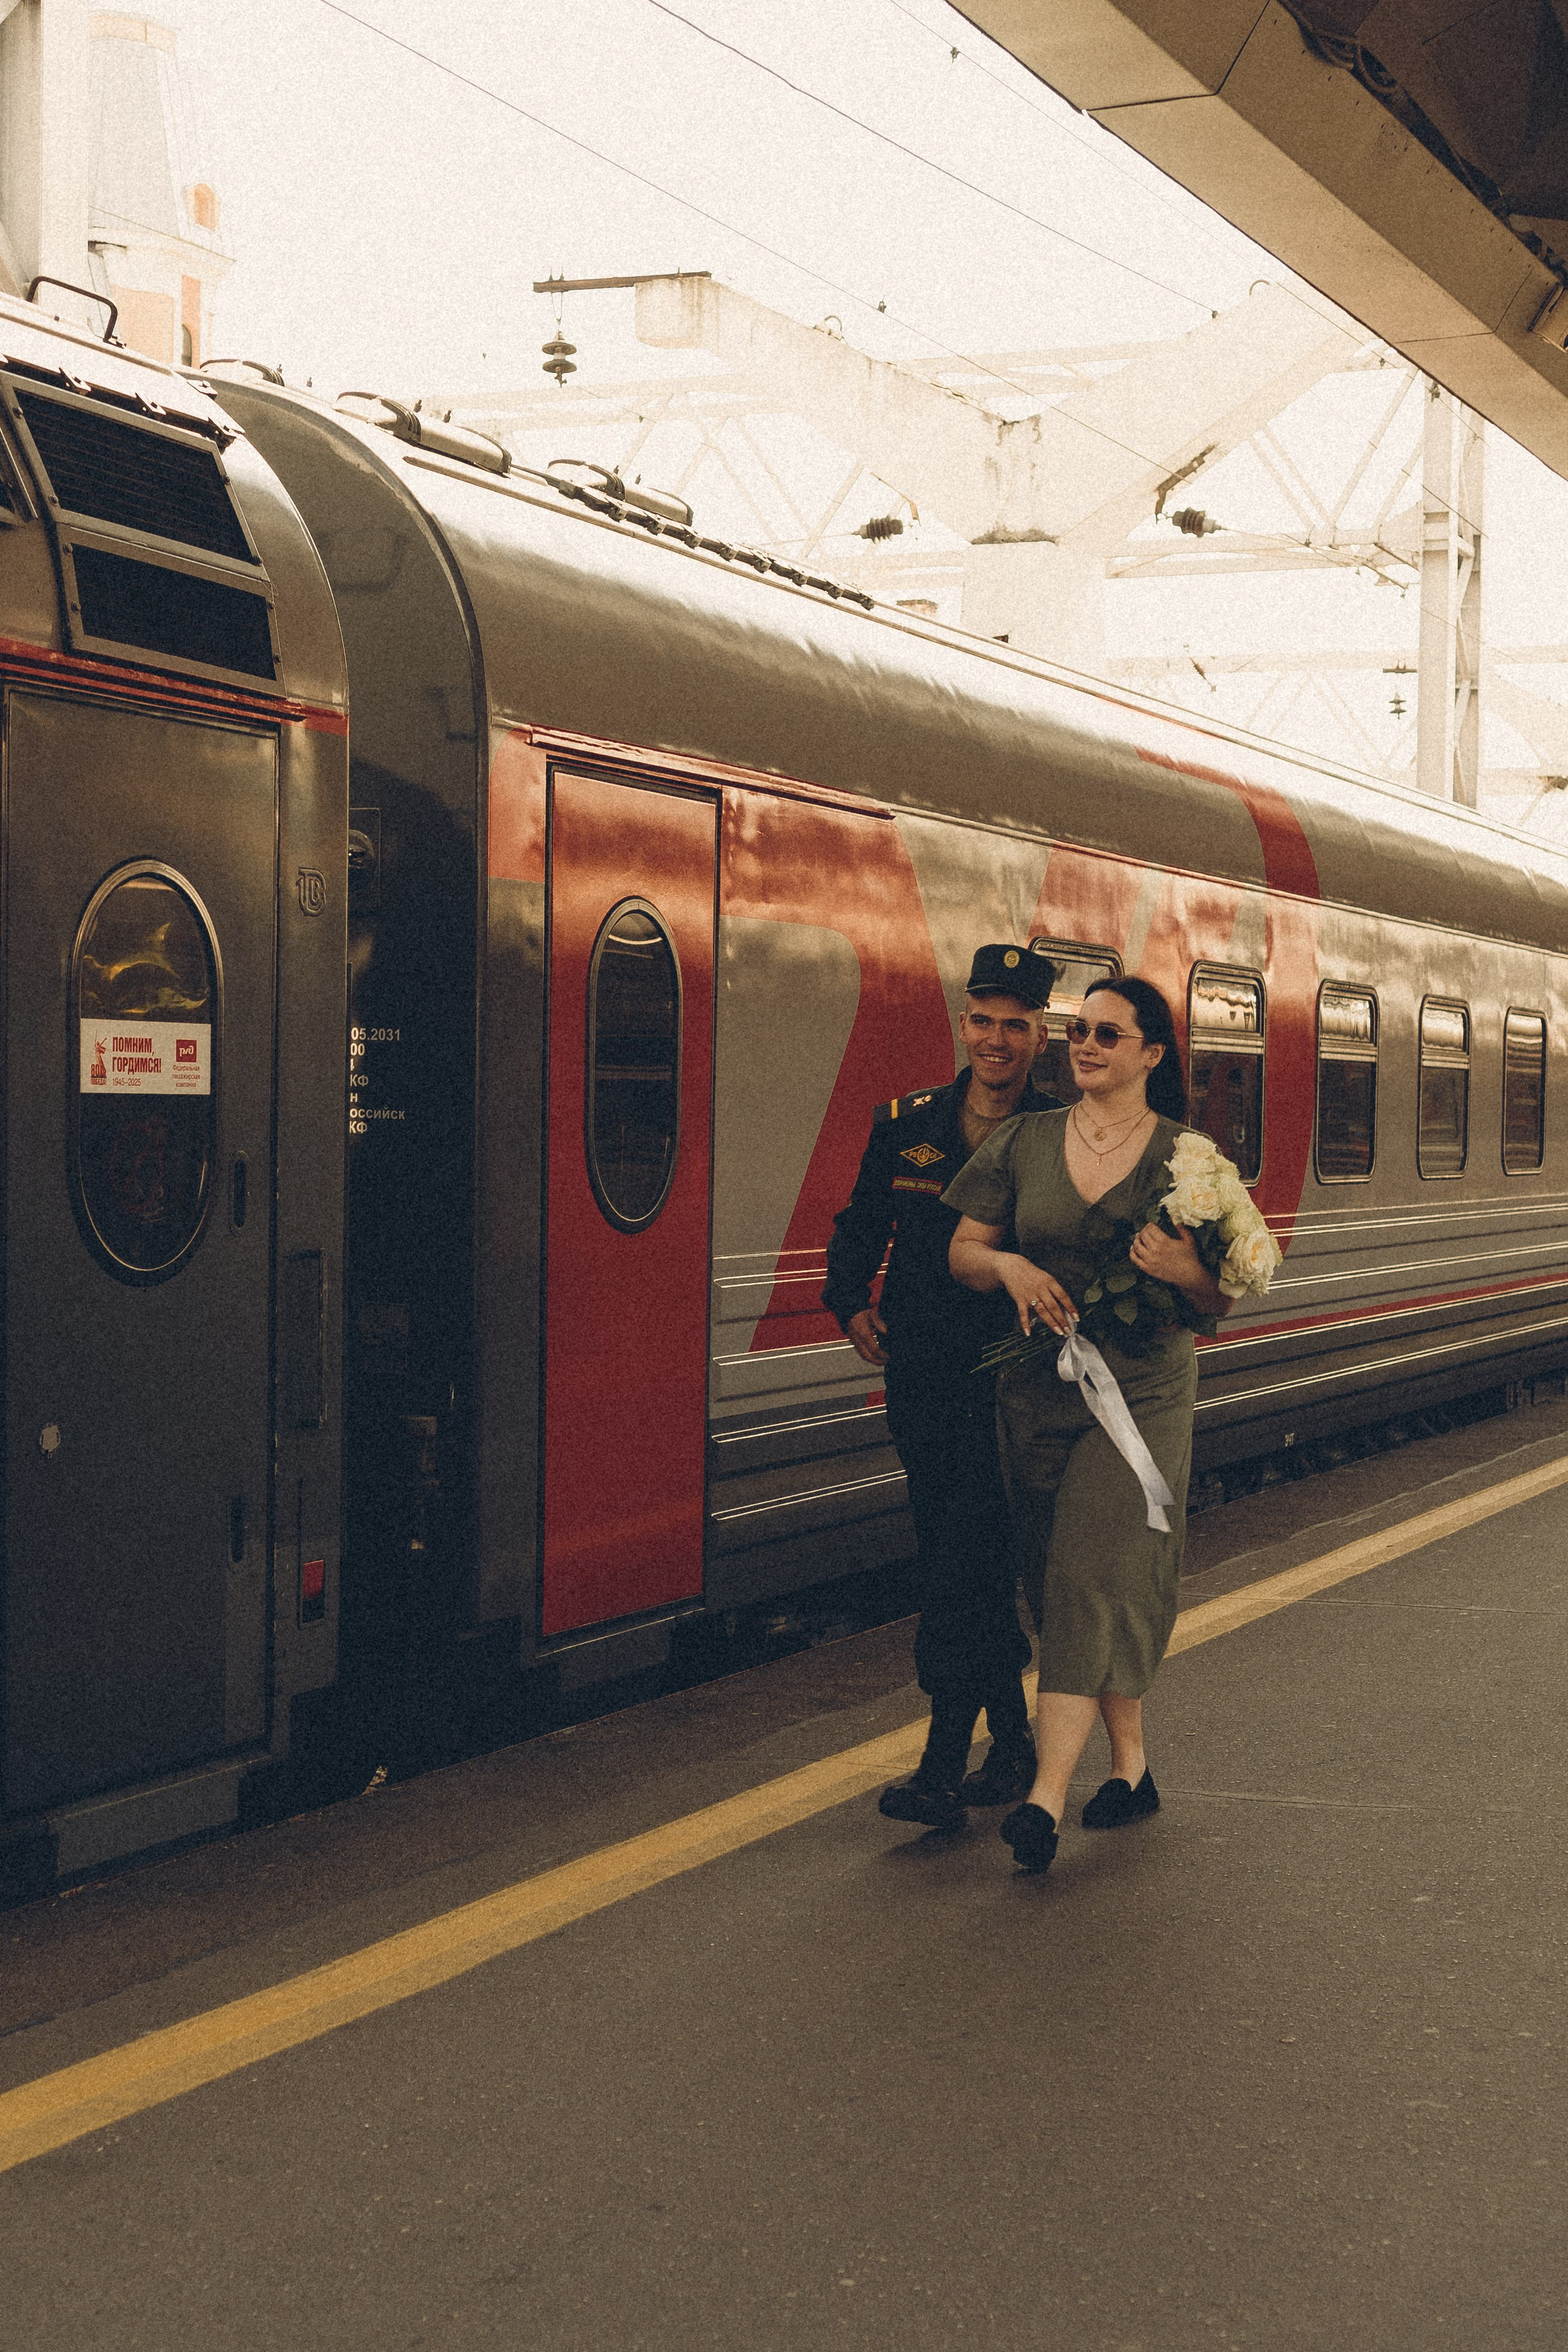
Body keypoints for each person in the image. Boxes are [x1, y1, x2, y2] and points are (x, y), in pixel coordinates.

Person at [944, 975, 1235, 1877]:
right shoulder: (1025, 1141)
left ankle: (1043, 1801)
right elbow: (961, 1248)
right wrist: (1010, 1269)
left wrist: (1189, 1267)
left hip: (1139, 1397)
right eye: (1079, 1032)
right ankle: (1133, 1770)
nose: (1086, 1045)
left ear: (1152, 1054)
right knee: (1063, 1582)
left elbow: (1218, 1304)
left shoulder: (1190, 1160)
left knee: (1084, 1577)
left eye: (1108, 1034)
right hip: (1034, 1391)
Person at [824, 942, 1061, 1833]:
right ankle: (1010, 1742)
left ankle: (940, 1761)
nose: (996, 1040)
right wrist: (849, 1302)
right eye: (983, 1021)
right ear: (966, 1024)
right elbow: (862, 1223)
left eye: (1016, 1025)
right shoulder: (908, 1121)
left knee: (962, 1561)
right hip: (923, 1375)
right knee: (964, 1557)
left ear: (1042, 1035)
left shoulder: (1056, 1131)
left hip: (1015, 1379)